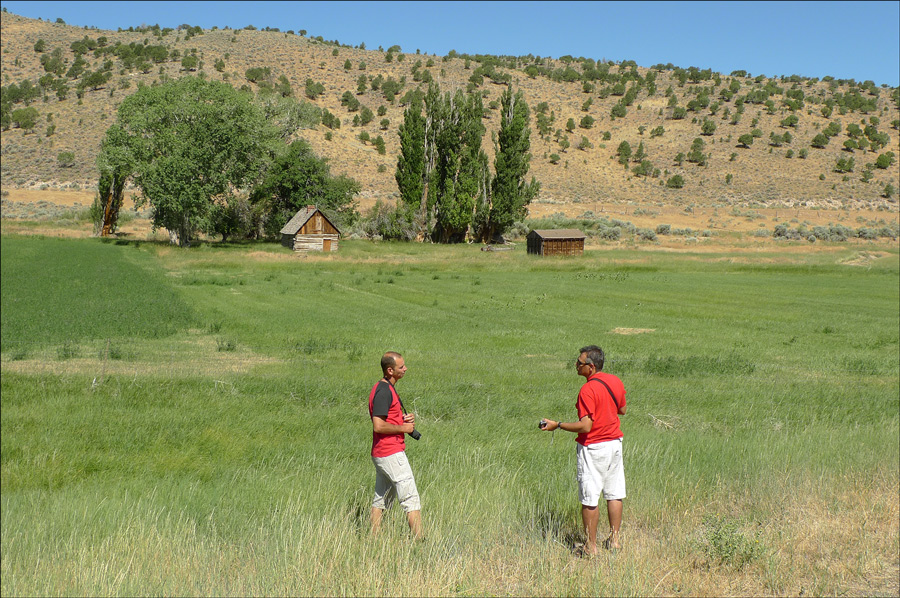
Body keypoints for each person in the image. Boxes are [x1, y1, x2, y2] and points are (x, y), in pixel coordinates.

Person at [540, 345, 627, 554]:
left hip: (593, 448)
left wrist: (557, 425)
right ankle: (614, 541)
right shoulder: (615, 381)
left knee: (590, 498)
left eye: (579, 363)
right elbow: (622, 409)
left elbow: (585, 426)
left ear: (591, 367)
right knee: (614, 494)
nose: (576, 365)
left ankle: (591, 547)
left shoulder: (587, 390)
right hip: (614, 444)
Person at [368, 351, 423, 539]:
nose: (405, 369)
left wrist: (403, 419)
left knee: (380, 500)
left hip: (381, 453)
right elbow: (379, 425)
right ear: (390, 370)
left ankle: (373, 540)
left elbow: (387, 418)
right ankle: (421, 543)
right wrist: (404, 428)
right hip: (391, 453)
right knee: (411, 499)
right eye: (401, 367)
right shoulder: (384, 391)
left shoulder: (384, 388)